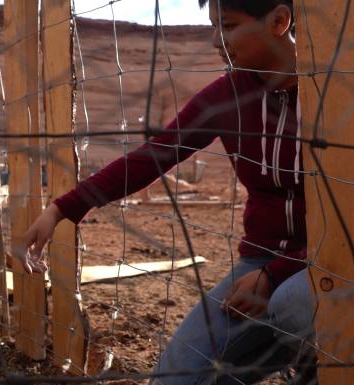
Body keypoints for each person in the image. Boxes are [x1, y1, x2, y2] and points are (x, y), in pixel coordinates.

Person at [19, 0, 317, 384]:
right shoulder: (225, 97)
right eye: (213, 26)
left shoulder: (333, 96)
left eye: (227, 26)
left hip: (331, 262)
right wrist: (62, 209)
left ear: (279, 20)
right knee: (177, 375)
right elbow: (153, 156)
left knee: (293, 305)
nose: (216, 41)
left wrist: (277, 275)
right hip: (258, 262)